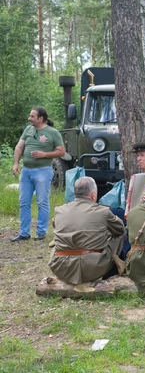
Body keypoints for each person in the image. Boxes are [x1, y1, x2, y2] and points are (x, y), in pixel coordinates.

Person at [48, 177, 126, 285]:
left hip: (62, 267)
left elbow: (55, 225)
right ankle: (117, 266)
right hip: (93, 268)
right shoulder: (103, 211)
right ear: (93, 195)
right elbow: (120, 229)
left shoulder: (59, 210)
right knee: (120, 235)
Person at [11, 108, 65, 242]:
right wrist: (16, 163)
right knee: (24, 202)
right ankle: (24, 233)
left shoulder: (53, 133)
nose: (29, 118)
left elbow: (62, 152)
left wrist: (45, 154)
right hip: (26, 171)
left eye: (32, 116)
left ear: (40, 118)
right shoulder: (28, 130)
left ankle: (41, 232)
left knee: (42, 202)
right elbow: (19, 147)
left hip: (43, 171)